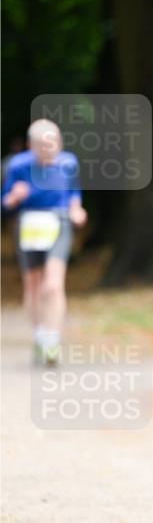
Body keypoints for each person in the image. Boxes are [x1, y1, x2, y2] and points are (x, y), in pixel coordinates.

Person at [1, 119, 87, 365]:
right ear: (32, 146)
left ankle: (52, 339)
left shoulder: (68, 163)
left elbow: (73, 194)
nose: (51, 151)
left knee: (53, 284)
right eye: (44, 147)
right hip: (29, 225)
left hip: (58, 223)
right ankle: (39, 335)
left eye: (55, 145)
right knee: (33, 283)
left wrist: (77, 210)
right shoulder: (18, 166)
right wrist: (14, 197)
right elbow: (5, 202)